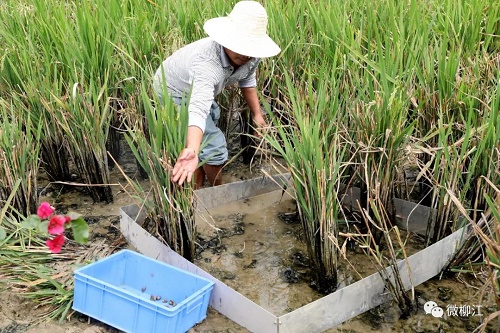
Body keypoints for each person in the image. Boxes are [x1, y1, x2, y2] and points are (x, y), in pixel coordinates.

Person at [153, 0, 280, 189]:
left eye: (250, 49)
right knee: (214, 145)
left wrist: (257, 114)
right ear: (228, 38)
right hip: (173, 90)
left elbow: (247, 79)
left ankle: (198, 185)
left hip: (195, 87)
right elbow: (198, 108)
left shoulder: (252, 56)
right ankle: (217, 191)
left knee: (209, 125)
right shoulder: (207, 63)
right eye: (241, 46)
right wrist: (192, 150)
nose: (246, 55)